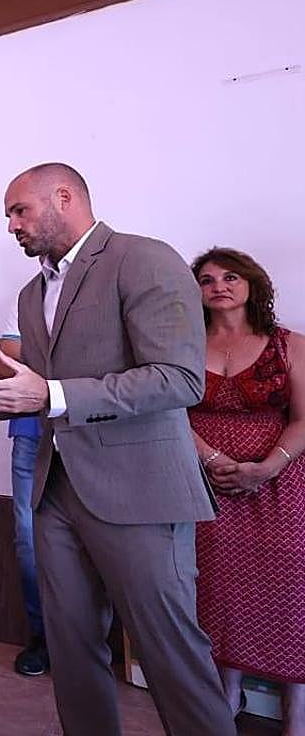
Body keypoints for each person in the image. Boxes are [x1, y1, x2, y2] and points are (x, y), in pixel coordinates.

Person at [0, 162, 234, 736]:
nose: (11, 226)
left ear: (65, 197)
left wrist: (52, 393)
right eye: (9, 215)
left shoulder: (143, 259)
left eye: (19, 211)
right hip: (55, 492)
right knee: (72, 651)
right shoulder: (32, 294)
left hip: (139, 492)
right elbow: (37, 392)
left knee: (170, 654)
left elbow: (179, 379)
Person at [189, 247, 304, 731]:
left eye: (231, 276)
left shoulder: (289, 344)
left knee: (292, 592)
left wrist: (266, 467)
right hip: (204, 484)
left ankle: (296, 710)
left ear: (252, 283)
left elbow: (303, 419)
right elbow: (170, 412)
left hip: (281, 485)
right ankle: (226, 694)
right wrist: (212, 459)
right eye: (207, 279)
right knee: (218, 591)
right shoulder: (183, 345)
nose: (219, 285)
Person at [0, 307, 48, 676]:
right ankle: (42, 636)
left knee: (96, 540)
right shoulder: (29, 299)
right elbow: (6, 364)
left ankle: (86, 641)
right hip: (32, 433)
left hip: (90, 434)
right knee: (29, 540)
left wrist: (35, 360)